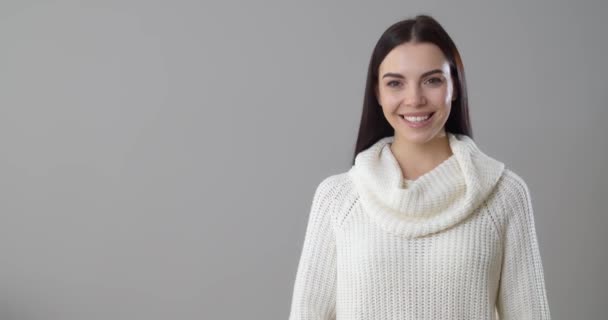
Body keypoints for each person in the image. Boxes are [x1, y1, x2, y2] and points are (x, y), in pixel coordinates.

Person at [288, 14, 551, 319]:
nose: (414, 99)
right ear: (378, 93)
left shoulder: (504, 195)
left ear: (455, 86)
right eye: (395, 83)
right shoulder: (338, 199)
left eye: (432, 80)